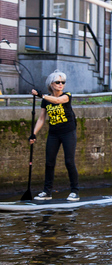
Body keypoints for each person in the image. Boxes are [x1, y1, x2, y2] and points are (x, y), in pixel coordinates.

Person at [29, 70, 79, 201]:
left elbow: (57, 101)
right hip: (54, 134)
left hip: (68, 132)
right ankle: (47, 192)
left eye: (63, 82)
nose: (61, 84)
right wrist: (33, 134)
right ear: (51, 84)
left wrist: (42, 95)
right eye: (58, 82)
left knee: (69, 162)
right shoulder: (46, 101)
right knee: (49, 162)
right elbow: (41, 119)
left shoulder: (67, 95)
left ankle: (75, 191)